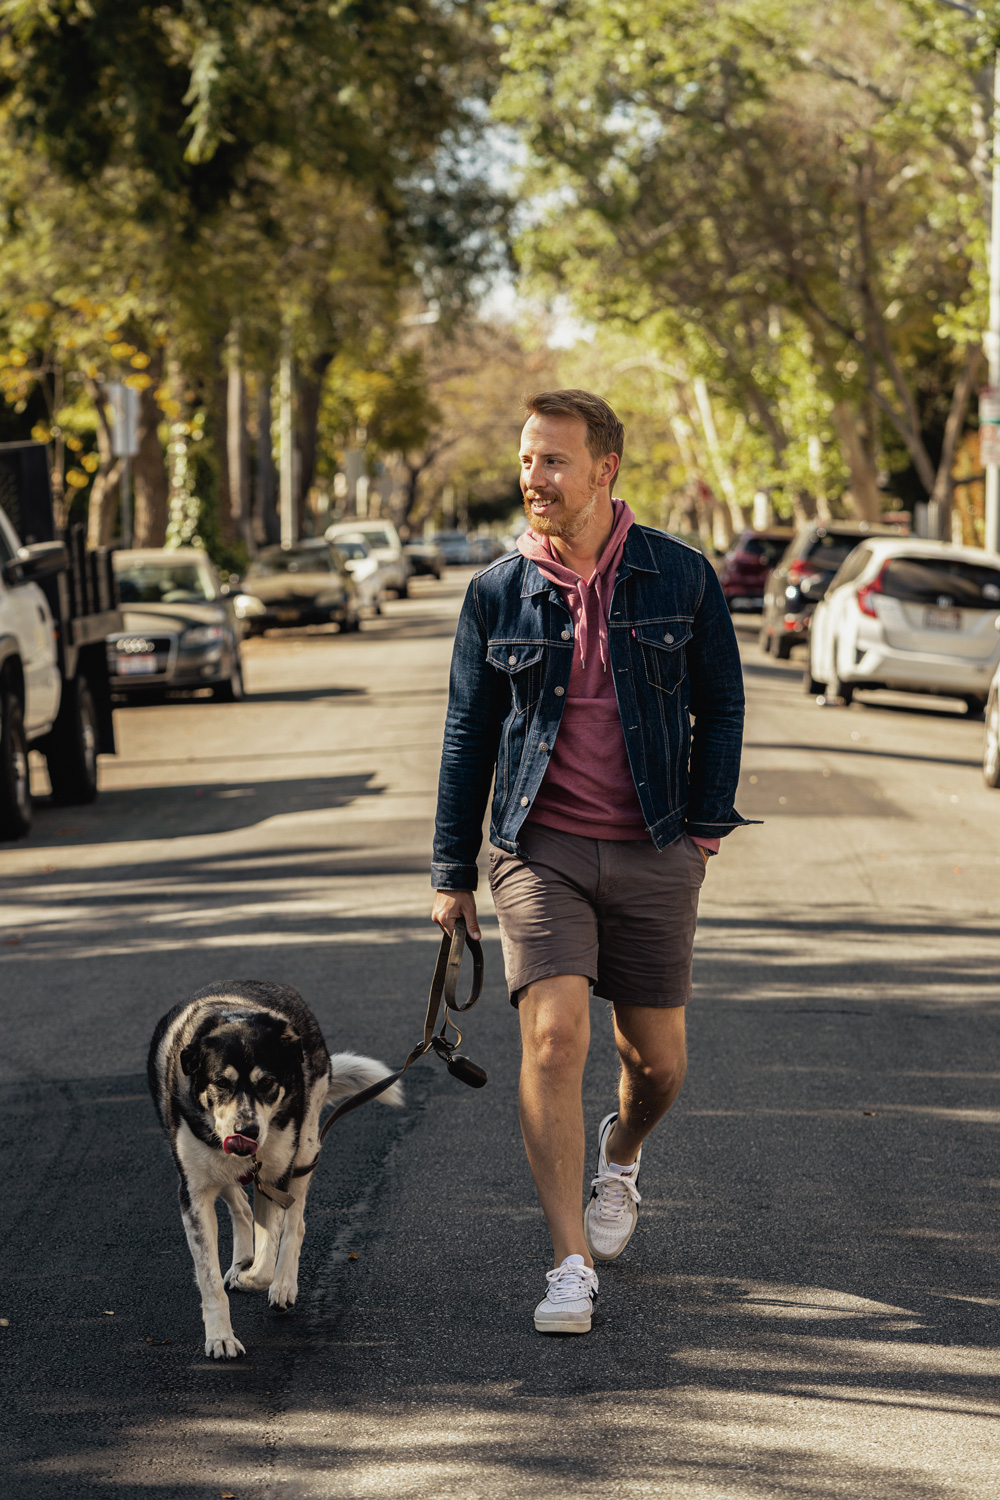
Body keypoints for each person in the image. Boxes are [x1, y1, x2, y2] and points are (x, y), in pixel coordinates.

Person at [431, 389, 749, 1334]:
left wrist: (701, 831)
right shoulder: (497, 591)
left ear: (605, 470)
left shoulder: (681, 577)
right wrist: (452, 873)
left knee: (656, 1064)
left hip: (654, 843)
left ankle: (623, 1153)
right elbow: (467, 735)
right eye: (527, 459)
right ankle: (569, 1262)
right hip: (541, 846)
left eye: (554, 461)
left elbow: (721, 705)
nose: (534, 477)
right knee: (554, 1038)